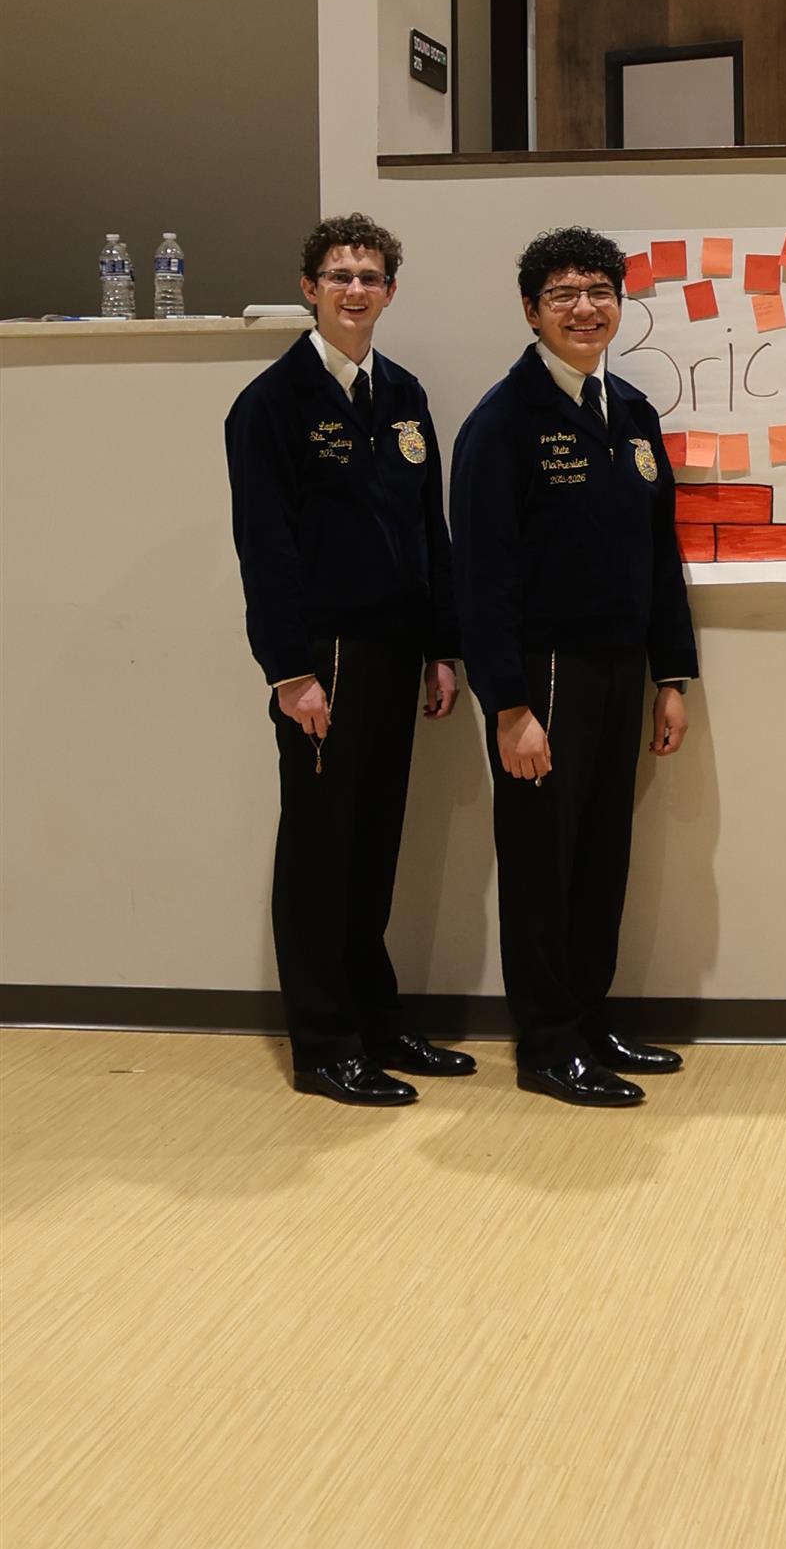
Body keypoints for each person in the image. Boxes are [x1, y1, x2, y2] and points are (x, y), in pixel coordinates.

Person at [225, 213, 469, 1105]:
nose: (355, 290)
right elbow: (264, 546)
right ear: (310, 289)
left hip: (398, 651)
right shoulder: (271, 404)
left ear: (390, 292)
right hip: (319, 660)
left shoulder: (402, 393)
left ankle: (375, 1020)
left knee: (373, 846)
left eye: (369, 277)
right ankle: (325, 1044)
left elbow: (429, 529)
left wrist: (442, 647)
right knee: (320, 852)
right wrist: (289, 671)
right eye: (339, 276)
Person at [451, 227, 697, 1108]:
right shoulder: (502, 422)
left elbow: (658, 557)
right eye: (563, 294)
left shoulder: (630, 412)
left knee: (600, 855)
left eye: (599, 292)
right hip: (542, 675)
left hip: (620, 668)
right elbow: (480, 576)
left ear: (619, 305)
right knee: (540, 864)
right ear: (531, 311)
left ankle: (589, 1021)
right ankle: (548, 1045)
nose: (584, 308)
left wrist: (671, 677)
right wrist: (508, 706)